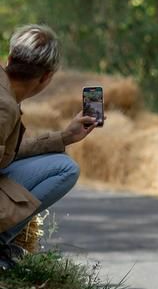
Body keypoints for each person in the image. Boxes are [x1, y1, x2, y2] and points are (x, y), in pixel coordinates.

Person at [0, 25, 96, 269]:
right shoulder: (5, 108)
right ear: (46, 77)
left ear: (10, 58)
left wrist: (63, 137)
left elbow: (8, 153)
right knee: (65, 168)